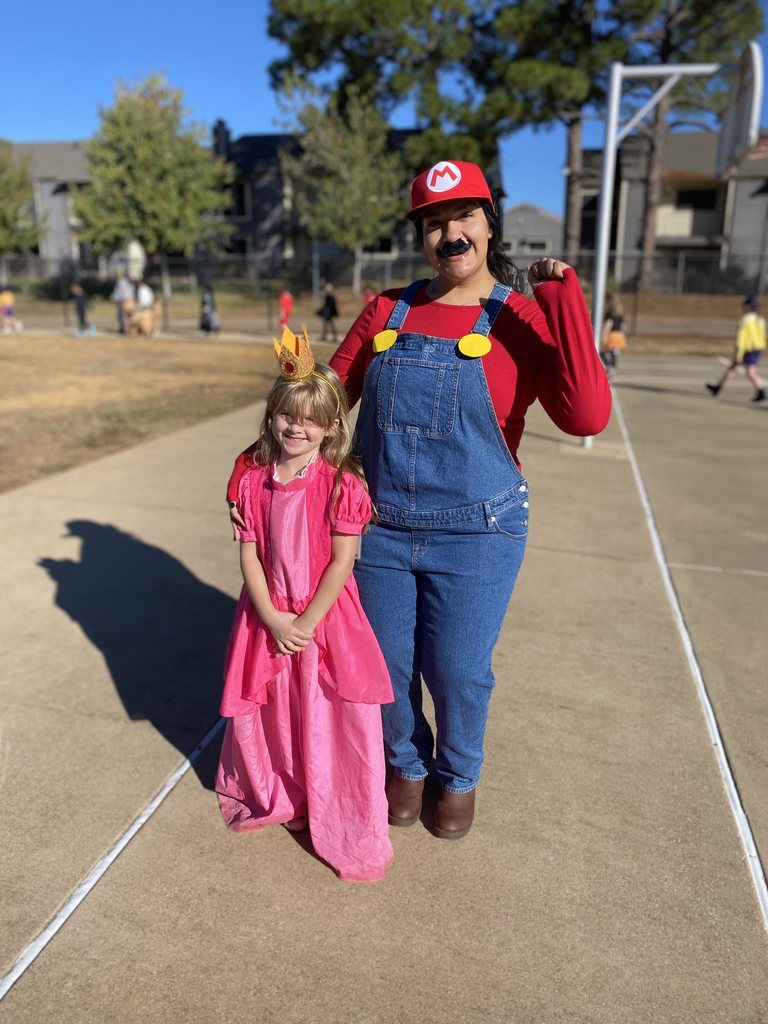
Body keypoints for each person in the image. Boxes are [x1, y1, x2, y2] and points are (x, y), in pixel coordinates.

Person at [227, 160, 612, 840]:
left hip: (479, 528)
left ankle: (457, 776)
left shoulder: (520, 317)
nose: (451, 234)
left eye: (464, 217)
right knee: (386, 665)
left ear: (491, 226)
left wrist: (566, 302)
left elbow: (584, 415)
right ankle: (404, 764)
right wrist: (253, 469)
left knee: (458, 670)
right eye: (434, 223)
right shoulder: (388, 310)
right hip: (378, 527)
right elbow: (323, 401)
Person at [216, 328, 394, 882]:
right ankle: (287, 790)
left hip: (323, 617)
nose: (296, 428)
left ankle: (331, 800)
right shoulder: (253, 482)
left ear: (333, 426)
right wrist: (271, 617)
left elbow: (343, 561)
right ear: (272, 416)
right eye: (286, 416)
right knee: (279, 707)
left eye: (311, 420)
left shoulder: (343, 485)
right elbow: (249, 553)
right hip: (268, 611)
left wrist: (306, 622)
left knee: (325, 708)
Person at [706, 295, 766, 402]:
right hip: (757, 348)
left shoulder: (746, 320)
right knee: (734, 367)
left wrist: (739, 350)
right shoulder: (760, 320)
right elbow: (762, 335)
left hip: (747, 348)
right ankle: (718, 387)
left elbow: (742, 337)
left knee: (749, 371)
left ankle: (761, 391)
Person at [600, 295, 626, 381]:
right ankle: (612, 369)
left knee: (602, 352)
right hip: (619, 336)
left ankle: (609, 368)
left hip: (611, 336)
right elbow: (622, 326)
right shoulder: (620, 313)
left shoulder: (610, 313)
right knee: (614, 354)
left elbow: (608, 324)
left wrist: (603, 335)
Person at [110, 269, 135, 334]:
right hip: (123, 301)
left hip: (124, 301)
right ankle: (123, 329)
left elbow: (122, 292)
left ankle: (125, 329)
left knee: (123, 316)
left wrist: (119, 299)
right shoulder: (124, 281)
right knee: (121, 316)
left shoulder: (122, 282)